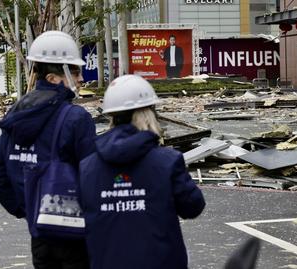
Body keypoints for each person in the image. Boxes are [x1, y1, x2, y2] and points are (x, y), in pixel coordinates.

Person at [0, 31, 96, 269]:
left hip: (40, 232)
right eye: (74, 71)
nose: (80, 78)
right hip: (76, 232)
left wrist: (26, 208)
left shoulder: (16, 113)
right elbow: (93, 177)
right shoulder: (76, 118)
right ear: (54, 78)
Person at [79, 74, 205, 269]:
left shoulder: (87, 167)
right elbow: (193, 206)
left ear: (111, 116)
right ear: (149, 113)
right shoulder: (167, 161)